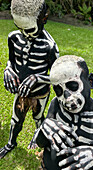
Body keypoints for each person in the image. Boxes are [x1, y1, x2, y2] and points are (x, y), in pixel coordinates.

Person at [0, 0, 59, 159]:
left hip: (40, 93)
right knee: (16, 119)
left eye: (29, 29)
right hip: (21, 91)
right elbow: (11, 60)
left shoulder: (49, 46)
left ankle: (41, 141)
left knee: (38, 118)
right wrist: (8, 69)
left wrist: (37, 78)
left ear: (43, 19)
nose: (25, 34)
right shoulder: (14, 38)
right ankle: (11, 143)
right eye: (19, 27)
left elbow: (56, 76)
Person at [35, 55, 93, 170]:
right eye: (58, 90)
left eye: (73, 86)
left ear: (90, 82)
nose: (67, 98)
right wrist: (43, 129)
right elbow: (41, 143)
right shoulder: (56, 105)